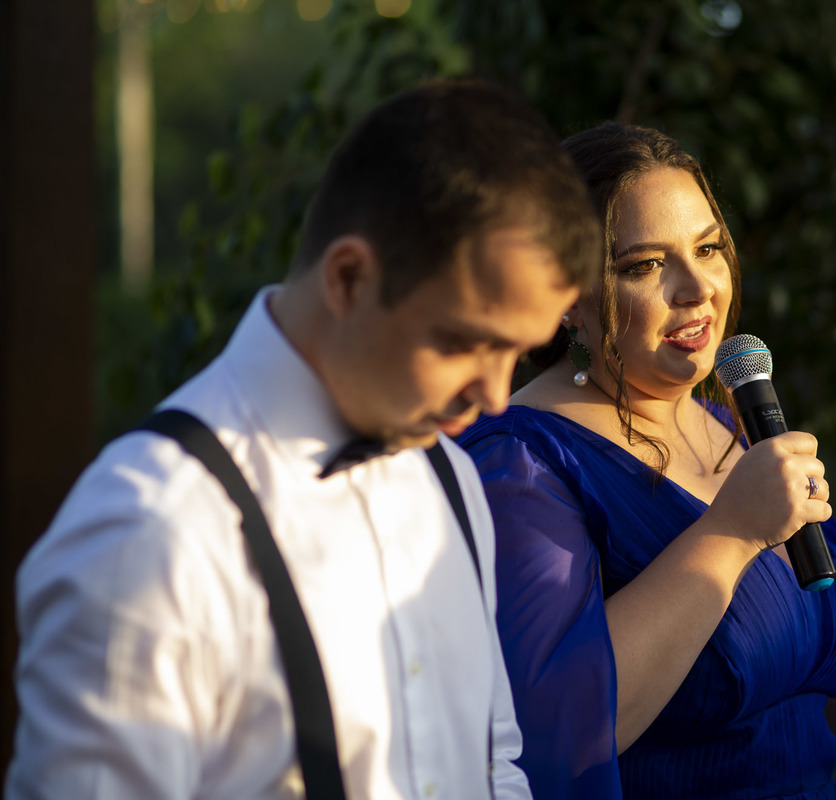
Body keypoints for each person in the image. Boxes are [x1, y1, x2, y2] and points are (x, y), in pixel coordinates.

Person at [6, 79, 601, 800]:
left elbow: (495, 763)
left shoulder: (451, 476)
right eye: (465, 343)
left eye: (517, 353)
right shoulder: (152, 531)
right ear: (348, 279)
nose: (497, 395)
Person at [457, 122, 836, 799]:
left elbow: (755, 705)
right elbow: (558, 732)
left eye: (707, 249)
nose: (697, 288)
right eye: (644, 265)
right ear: (566, 295)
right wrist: (729, 535)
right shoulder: (523, 463)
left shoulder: (725, 420)